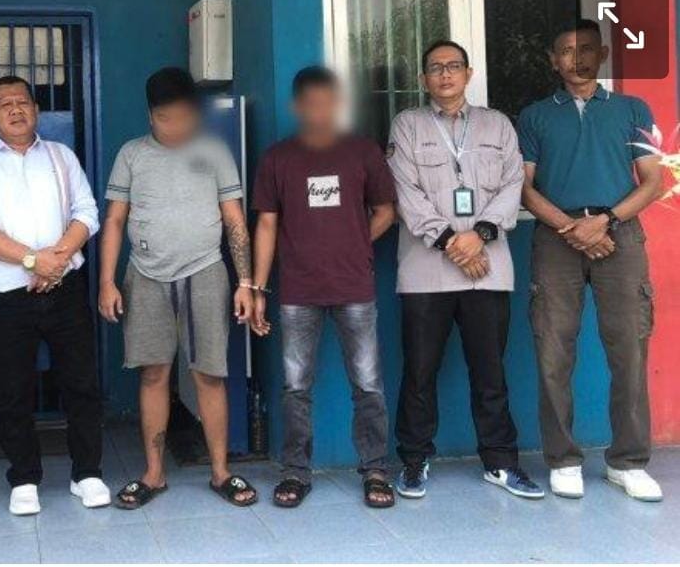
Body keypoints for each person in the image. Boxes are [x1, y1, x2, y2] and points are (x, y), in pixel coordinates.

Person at [387, 40, 544, 500]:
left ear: (468, 73)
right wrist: (452, 242)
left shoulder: (497, 125)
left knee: (490, 372)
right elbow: (406, 192)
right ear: (423, 79)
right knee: (420, 372)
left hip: (487, 269)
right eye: (435, 68)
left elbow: (513, 184)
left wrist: (481, 234)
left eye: (453, 66)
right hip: (425, 271)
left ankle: (500, 462)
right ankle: (414, 461)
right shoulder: (407, 125)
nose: (445, 74)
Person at [100, 67, 258, 509]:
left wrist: (245, 282)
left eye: (183, 117)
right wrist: (107, 281)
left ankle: (220, 471)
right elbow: (114, 220)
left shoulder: (213, 151)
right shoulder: (132, 155)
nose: (174, 127)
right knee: (153, 373)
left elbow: (234, 220)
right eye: (164, 118)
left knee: (209, 374)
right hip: (145, 275)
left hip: (205, 272)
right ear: (150, 115)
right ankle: (154, 474)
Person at [518, 19, 663, 502]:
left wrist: (605, 221)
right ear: (552, 60)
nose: (575, 58)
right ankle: (562, 459)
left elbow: (651, 181)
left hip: (620, 235)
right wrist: (572, 228)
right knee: (553, 350)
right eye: (565, 50)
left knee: (629, 349)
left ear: (601, 55)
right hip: (556, 238)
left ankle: (628, 462)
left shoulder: (631, 109)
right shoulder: (535, 116)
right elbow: (524, 188)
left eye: (585, 49)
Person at [0, 75, 109, 515]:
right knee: (12, 389)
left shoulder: (61, 156)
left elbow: (87, 212)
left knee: (81, 383)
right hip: (7, 296)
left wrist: (53, 261)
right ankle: (23, 477)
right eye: (5, 104)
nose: (16, 109)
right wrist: (31, 260)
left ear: (37, 110)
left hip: (65, 289)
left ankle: (87, 473)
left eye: (23, 102)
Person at [250, 66, 397, 509]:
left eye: (327, 101)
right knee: (296, 387)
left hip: (354, 286)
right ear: (297, 107)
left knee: (368, 384)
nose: (319, 110)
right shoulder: (277, 158)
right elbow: (266, 225)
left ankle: (376, 469)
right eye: (310, 103)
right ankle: (296, 472)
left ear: (339, 104)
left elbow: (387, 211)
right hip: (298, 290)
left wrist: (357, 243)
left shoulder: (363, 152)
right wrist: (258, 288)